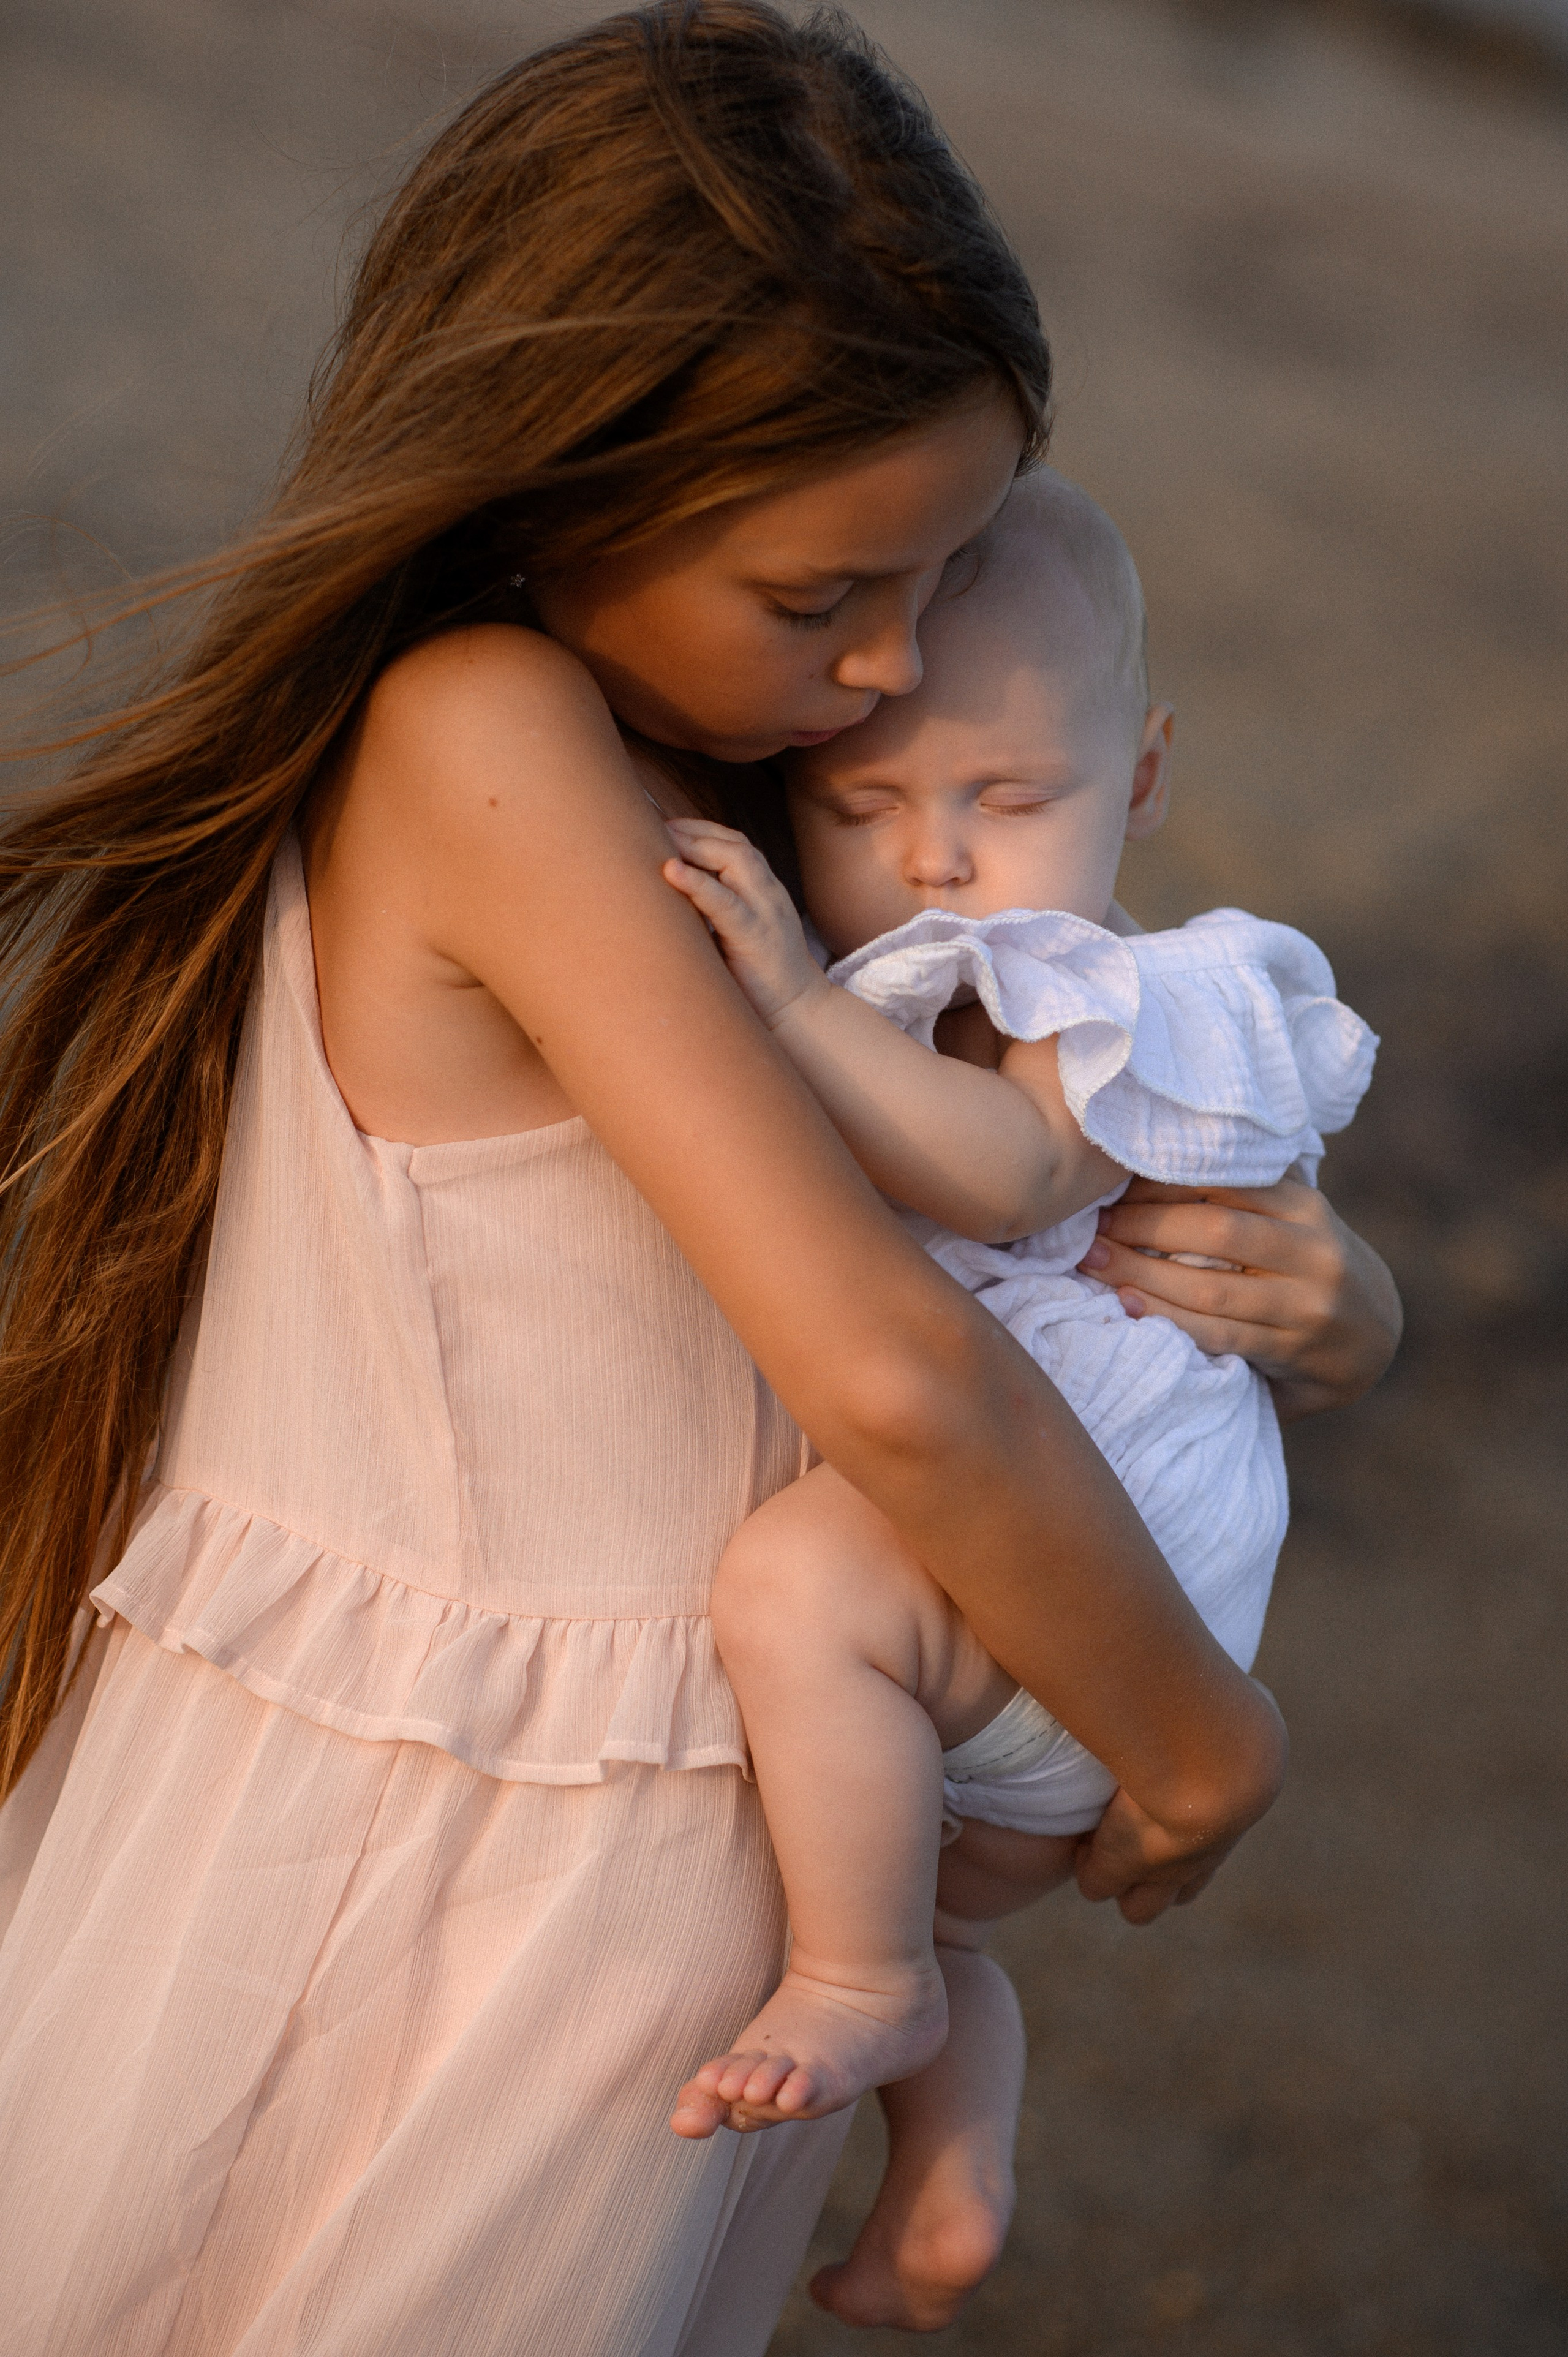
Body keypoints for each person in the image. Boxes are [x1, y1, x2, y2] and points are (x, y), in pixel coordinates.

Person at [0, 7, 1399, 2353]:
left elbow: (1037, 1205)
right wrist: (1198, 1731)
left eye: (941, 569)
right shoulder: (489, 740)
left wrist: (1325, 1298)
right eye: (816, 593)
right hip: (477, 1866)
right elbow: (897, 1369)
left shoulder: (760, 790)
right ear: (555, 494)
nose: (887, 668)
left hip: (679, 1845)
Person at [660, 468, 1385, 2329]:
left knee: (794, 1590)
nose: (937, 859)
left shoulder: (1102, 989)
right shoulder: (929, 961)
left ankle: (855, 1984)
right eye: (864, 804)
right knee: (954, 1909)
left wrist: (794, 1007)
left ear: (1139, 780)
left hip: (1095, 1528)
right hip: (1050, 1623)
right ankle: (948, 2181)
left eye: (1011, 799)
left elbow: (1006, 1179)